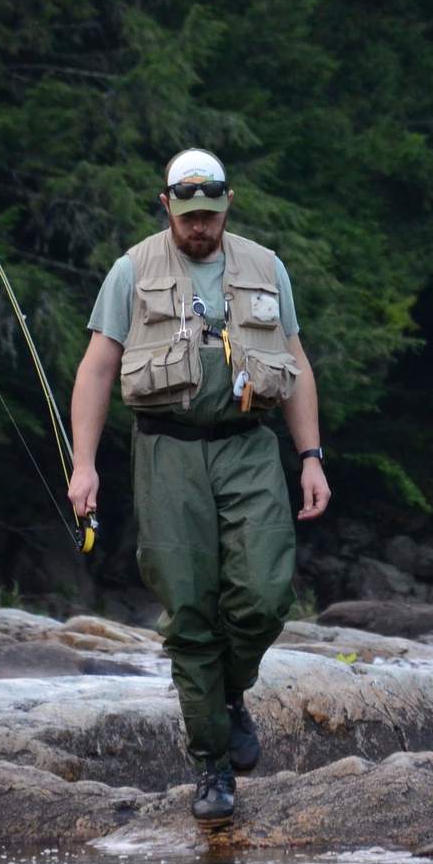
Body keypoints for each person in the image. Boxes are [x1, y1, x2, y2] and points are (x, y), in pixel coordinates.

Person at [66, 149, 331, 825]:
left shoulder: (266, 267)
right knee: (188, 611)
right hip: (167, 451)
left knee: (267, 594)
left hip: (249, 446)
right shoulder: (131, 270)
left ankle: (229, 693)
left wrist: (311, 456)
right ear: (166, 206)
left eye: (210, 215)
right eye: (187, 216)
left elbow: (294, 362)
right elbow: (98, 370)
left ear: (227, 204)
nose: (199, 228)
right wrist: (85, 464)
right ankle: (212, 761)